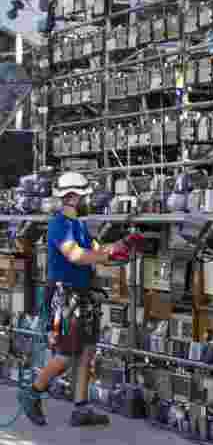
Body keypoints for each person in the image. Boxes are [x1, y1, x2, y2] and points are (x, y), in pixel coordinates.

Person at [17, 172, 134, 427]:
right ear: (71, 197)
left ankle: (80, 408)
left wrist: (120, 246)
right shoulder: (59, 224)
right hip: (65, 294)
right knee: (67, 353)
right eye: (85, 196)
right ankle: (33, 393)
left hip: (82, 294)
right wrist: (104, 256)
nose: (88, 200)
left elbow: (94, 249)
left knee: (86, 351)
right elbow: (76, 255)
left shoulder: (78, 225)